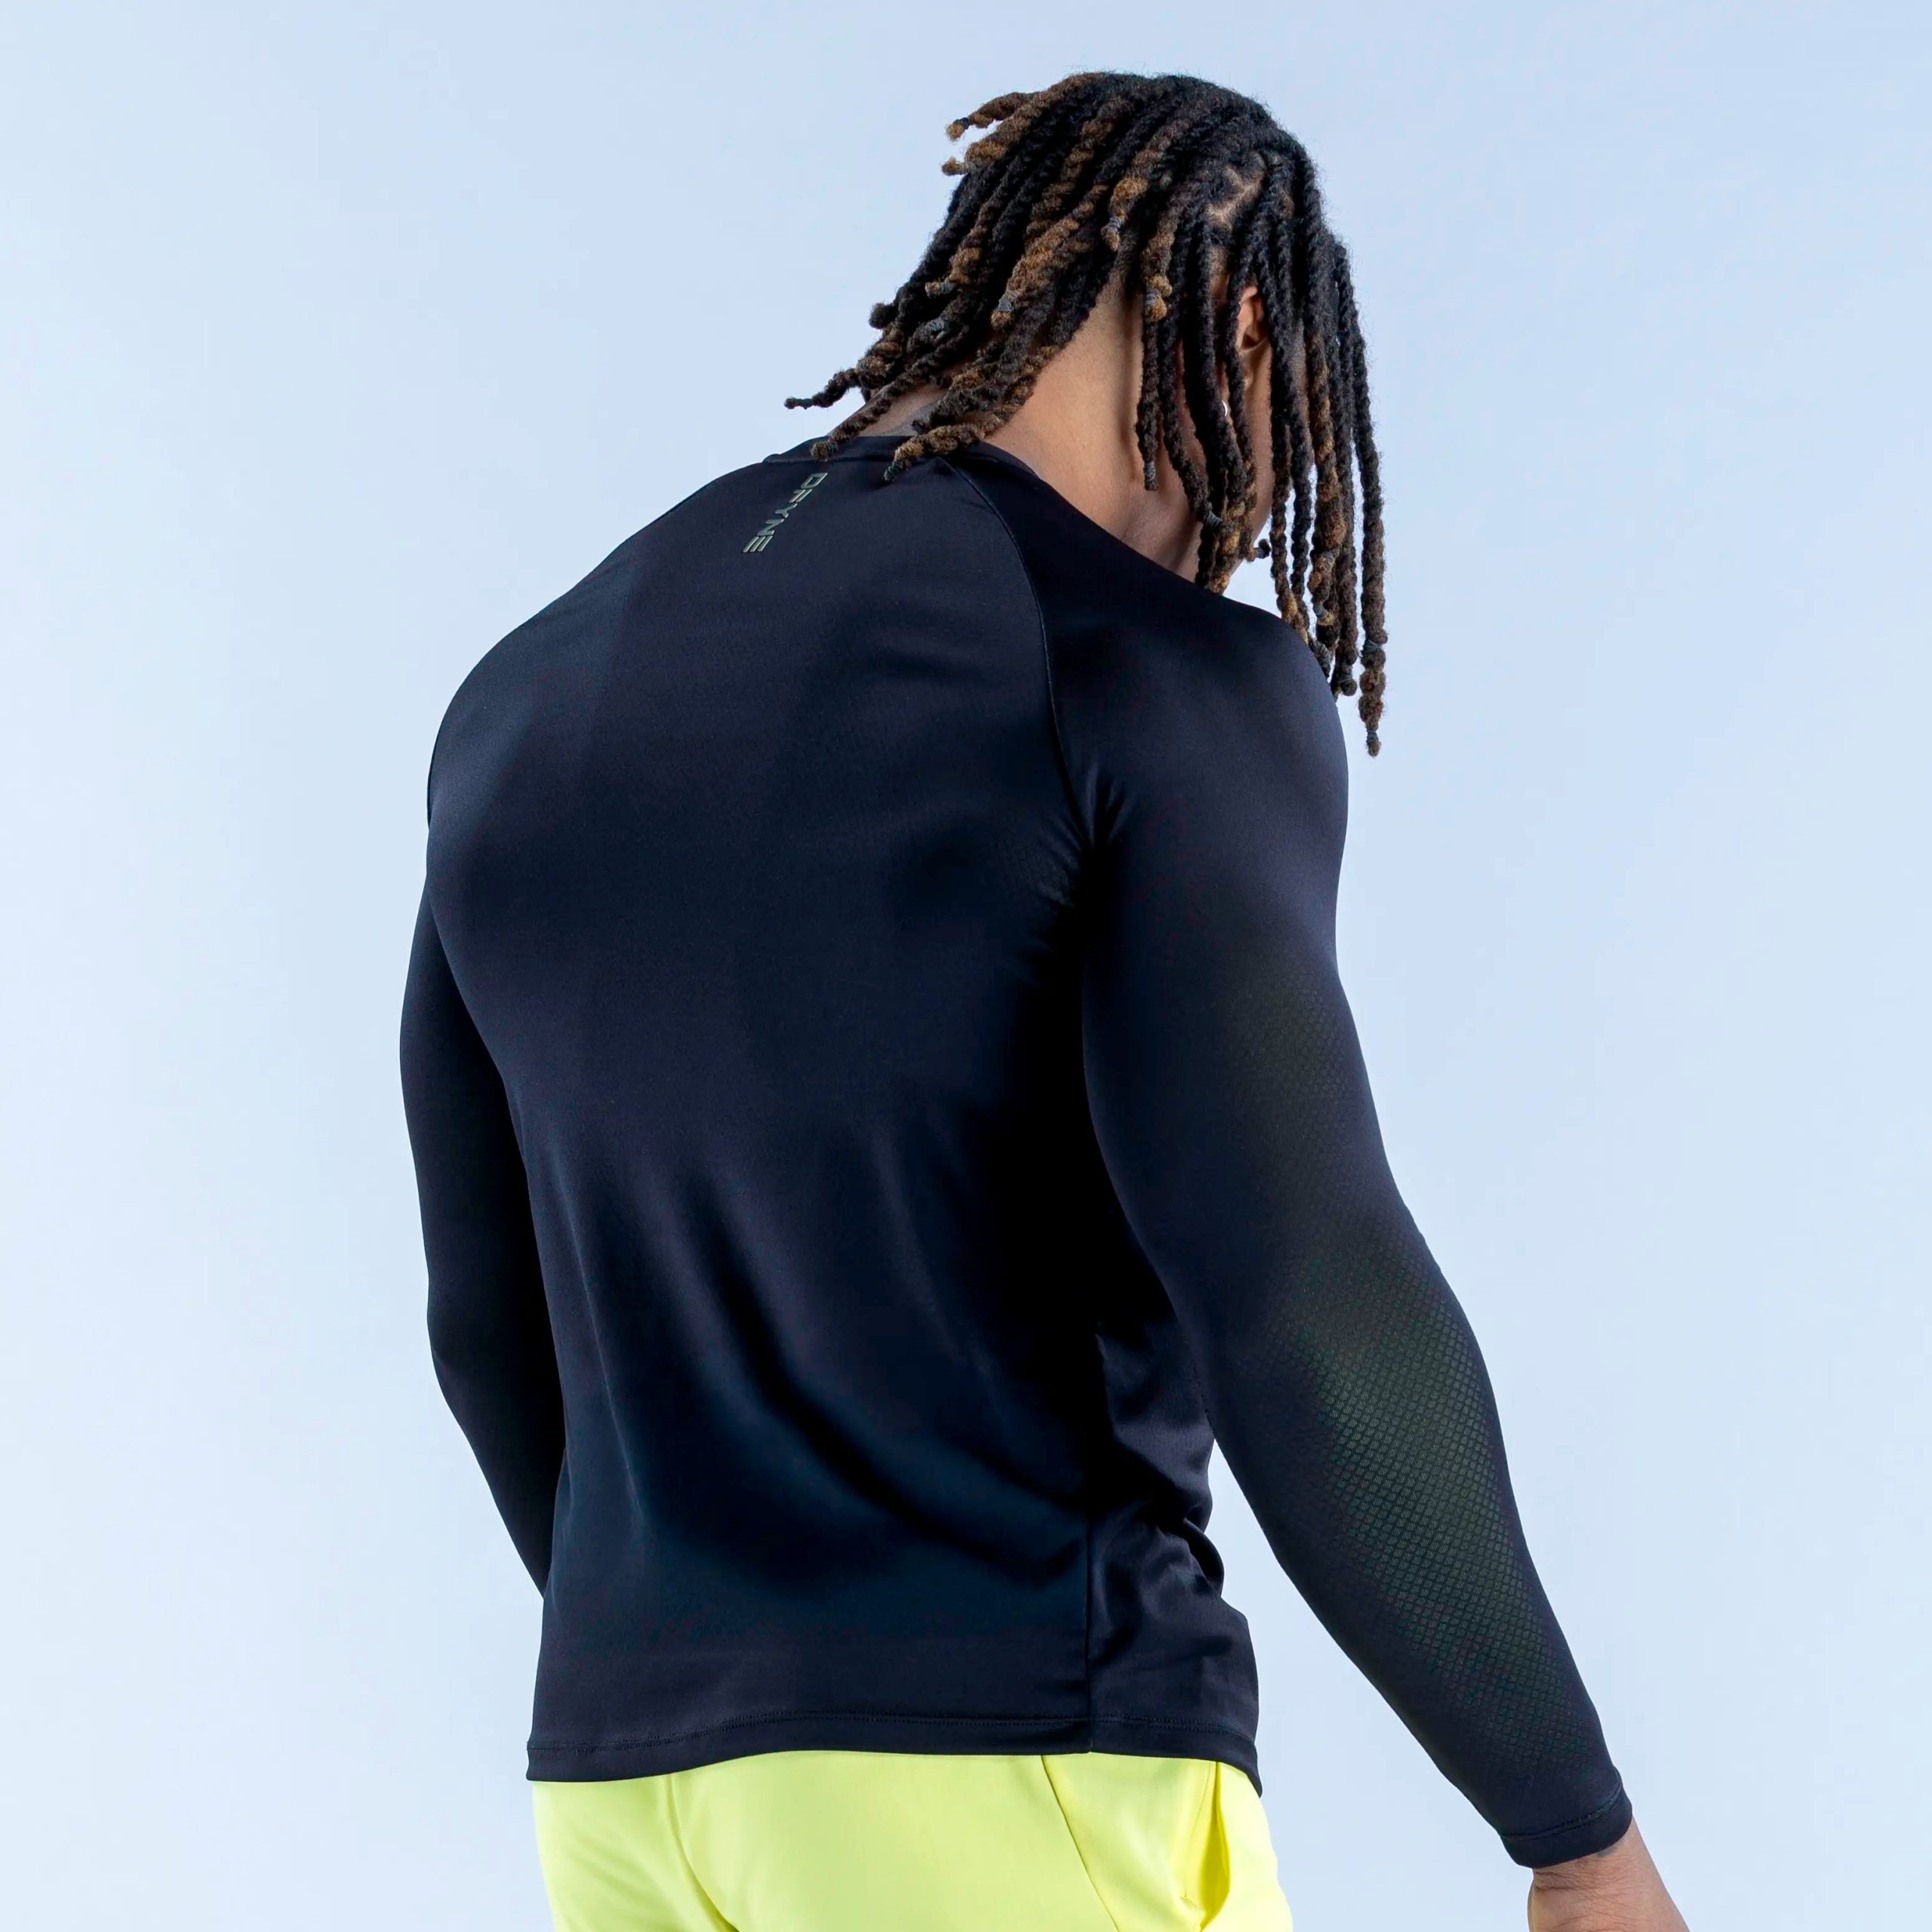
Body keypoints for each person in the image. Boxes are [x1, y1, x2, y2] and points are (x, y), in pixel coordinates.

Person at [399, 69, 1688, 1931]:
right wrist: (1575, 1830)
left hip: (623, 1799)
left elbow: (484, 1321)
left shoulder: (528, 690)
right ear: (1240, 334)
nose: (1245, 511)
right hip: (1015, 1765)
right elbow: (1308, 1300)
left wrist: (730, 1684)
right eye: (1276, 433)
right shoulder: (1136, 667)